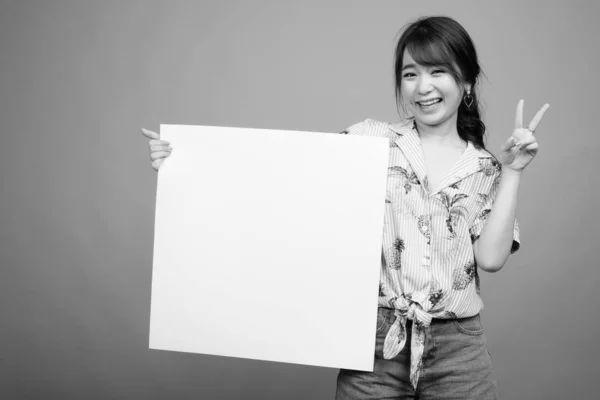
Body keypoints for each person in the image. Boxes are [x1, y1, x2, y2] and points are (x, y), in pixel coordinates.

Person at [142, 15, 548, 400]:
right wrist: (186, 163)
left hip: (459, 348)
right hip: (374, 345)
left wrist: (512, 172)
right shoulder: (370, 141)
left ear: (467, 81)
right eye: (410, 74)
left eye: (437, 71)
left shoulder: (485, 168)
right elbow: (283, 176)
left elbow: (491, 259)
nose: (423, 86)